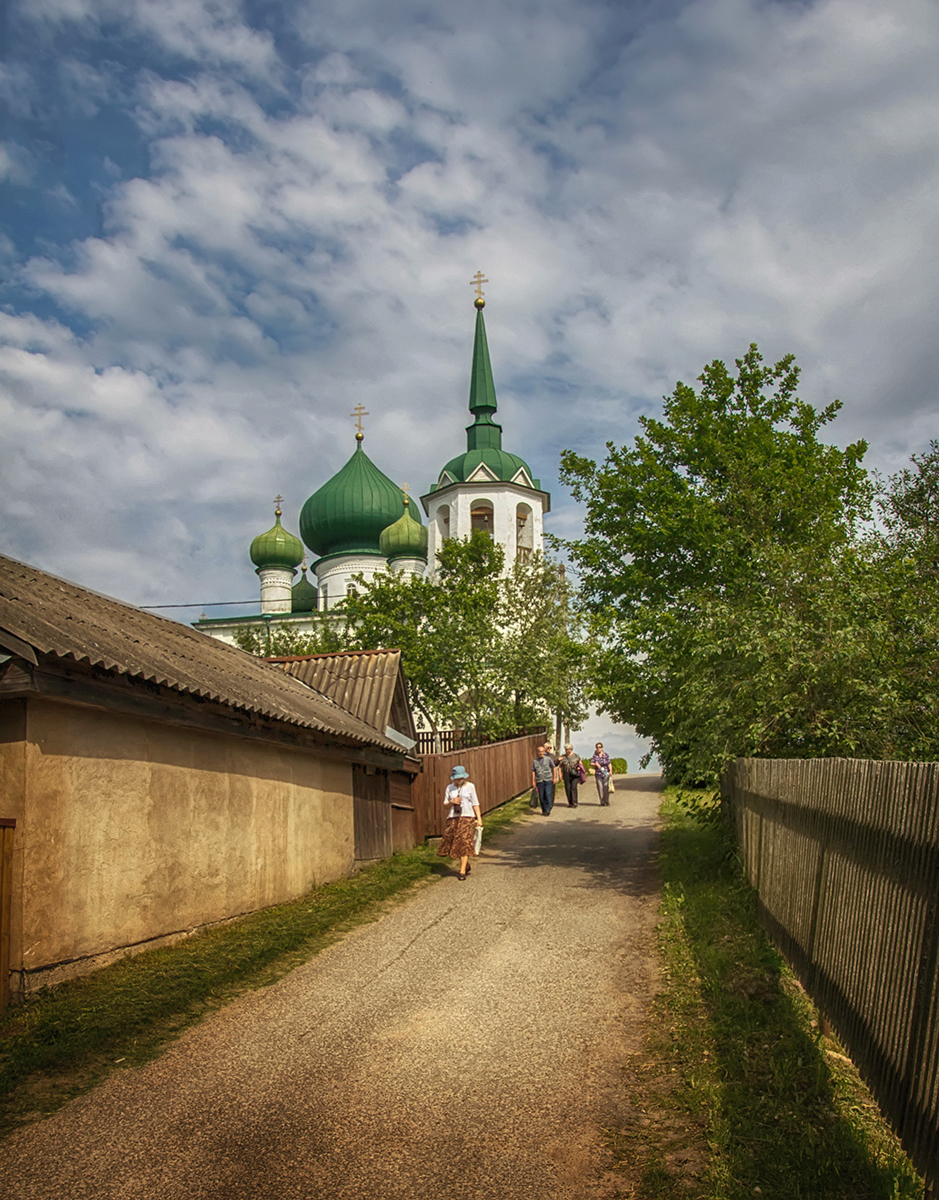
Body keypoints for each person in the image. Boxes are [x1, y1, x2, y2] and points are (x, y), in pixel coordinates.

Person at [438, 764, 483, 880]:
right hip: (453, 817)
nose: (458, 780)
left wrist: (479, 819)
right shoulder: (449, 788)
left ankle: (462, 871)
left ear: (464, 777)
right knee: (455, 843)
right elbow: (445, 806)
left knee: (464, 842)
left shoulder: (470, 787)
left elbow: (475, 803)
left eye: (460, 778)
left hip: (467, 817)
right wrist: (452, 801)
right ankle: (466, 864)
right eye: (456, 778)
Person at [531, 744, 558, 815]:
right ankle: (544, 809)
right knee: (541, 796)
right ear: (537, 752)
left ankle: (548, 809)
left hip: (548, 779)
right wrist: (533, 781)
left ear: (544, 752)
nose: (541, 753)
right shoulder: (535, 761)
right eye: (539, 751)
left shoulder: (548, 759)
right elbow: (533, 771)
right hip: (539, 780)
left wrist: (554, 778)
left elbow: (554, 768)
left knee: (548, 793)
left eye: (542, 751)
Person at [591, 742, 612, 806]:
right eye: (597, 747)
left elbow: (609, 763)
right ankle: (602, 801)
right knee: (600, 787)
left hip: (605, 773)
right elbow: (591, 763)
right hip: (598, 773)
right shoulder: (595, 755)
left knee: (606, 786)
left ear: (602, 748)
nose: (598, 748)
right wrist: (595, 764)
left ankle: (606, 800)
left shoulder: (606, 755)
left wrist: (610, 771)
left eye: (599, 747)